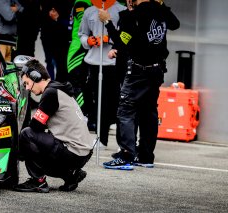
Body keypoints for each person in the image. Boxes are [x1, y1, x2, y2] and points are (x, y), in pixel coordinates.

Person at [99, 0, 180, 170]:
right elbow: (175, 24)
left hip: (138, 71)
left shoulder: (132, 16)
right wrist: (162, 4)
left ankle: (127, 155)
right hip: (157, 70)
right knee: (149, 112)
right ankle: (146, 156)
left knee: (126, 110)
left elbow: (122, 42)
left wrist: (107, 22)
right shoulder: (160, 10)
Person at [14, 59, 93, 193]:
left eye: (27, 83)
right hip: (82, 152)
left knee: (27, 135)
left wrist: (18, 152)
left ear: (36, 77)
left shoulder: (50, 93)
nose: (27, 88)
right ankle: (70, 176)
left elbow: (35, 127)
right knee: (41, 143)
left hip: (72, 151)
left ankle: (37, 181)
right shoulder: (58, 89)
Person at [78, 1, 126, 148]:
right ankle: (101, 137)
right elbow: (82, 34)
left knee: (117, 101)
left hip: (113, 62)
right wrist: (88, 41)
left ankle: (123, 141)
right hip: (94, 61)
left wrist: (109, 39)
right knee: (98, 101)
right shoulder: (89, 11)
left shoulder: (121, 10)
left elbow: (126, 36)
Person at [67, 0, 92, 120]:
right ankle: (86, 114)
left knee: (76, 83)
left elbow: (86, 25)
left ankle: (82, 115)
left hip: (78, 49)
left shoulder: (81, 3)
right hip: (82, 47)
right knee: (80, 83)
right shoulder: (87, 4)